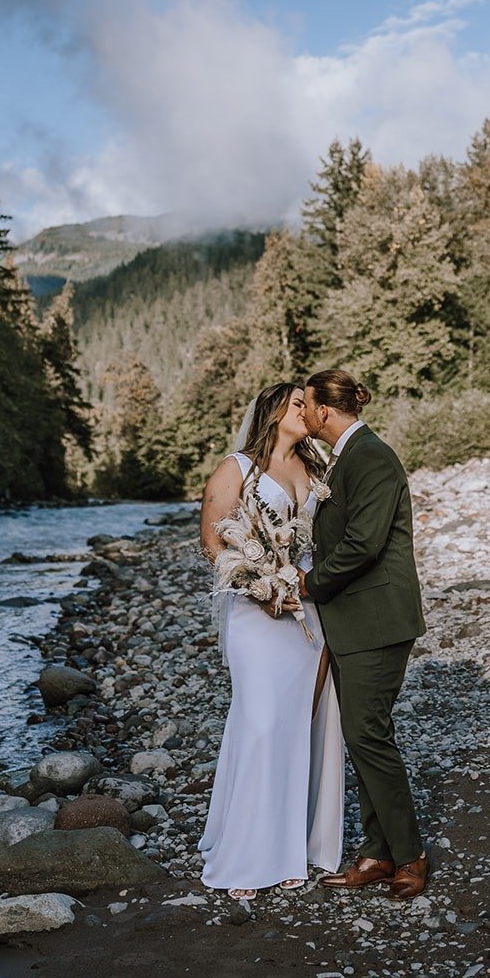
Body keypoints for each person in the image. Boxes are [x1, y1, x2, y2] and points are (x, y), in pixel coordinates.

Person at [196, 382, 345, 900]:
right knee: (261, 723)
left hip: (310, 608)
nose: (309, 410)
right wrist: (256, 586)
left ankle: (295, 847)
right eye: (299, 402)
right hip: (257, 614)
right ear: (274, 411)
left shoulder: (317, 469)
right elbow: (213, 540)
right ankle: (247, 853)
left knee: (304, 723)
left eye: (311, 403)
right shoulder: (237, 468)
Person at [298, 369, 430, 900]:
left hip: (377, 620)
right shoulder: (347, 456)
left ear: (324, 412)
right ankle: (378, 853)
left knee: (367, 735)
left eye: (306, 405)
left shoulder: (371, 457)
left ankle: (411, 853)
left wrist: (309, 583)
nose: (302, 414)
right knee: (362, 735)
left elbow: (363, 543)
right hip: (355, 621)